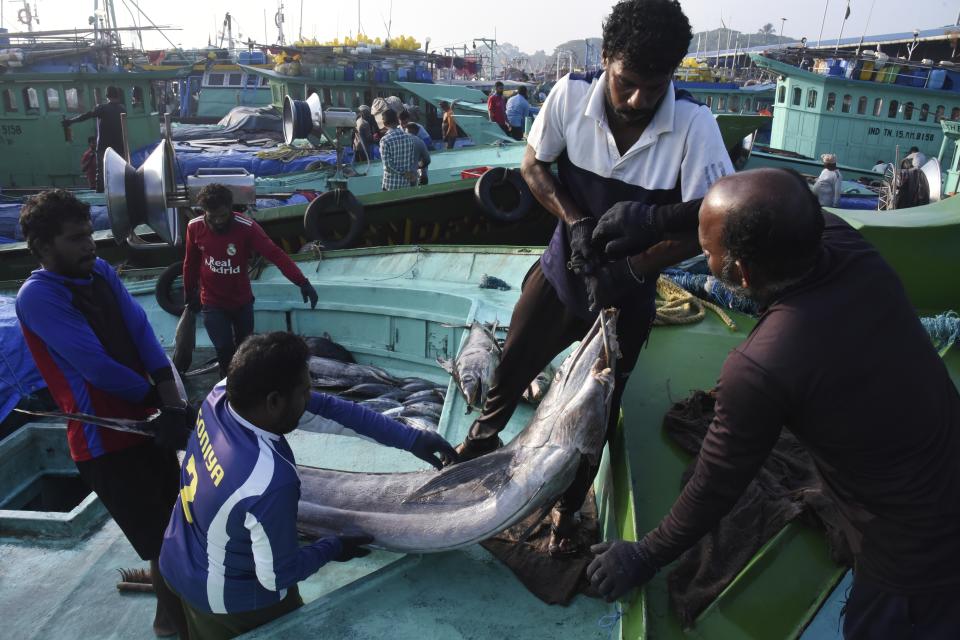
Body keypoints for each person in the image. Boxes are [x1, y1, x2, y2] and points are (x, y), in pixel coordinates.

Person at [586, 168, 960, 638]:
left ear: (739, 273)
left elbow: (715, 485)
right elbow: (775, 202)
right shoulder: (847, 247)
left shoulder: (763, 365)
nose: (702, 252)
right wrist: (657, 220)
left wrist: (643, 555)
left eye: (707, 251)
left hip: (914, 558)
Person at [449, 0, 732, 556]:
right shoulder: (569, 95)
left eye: (656, 87)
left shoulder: (696, 126)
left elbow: (708, 225)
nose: (638, 100)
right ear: (604, 58)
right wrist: (574, 221)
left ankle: (566, 509)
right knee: (510, 372)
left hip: (625, 300)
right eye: (627, 82)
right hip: (561, 274)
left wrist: (635, 268)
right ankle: (474, 450)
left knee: (593, 417)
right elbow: (534, 164)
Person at [159, 332, 457, 639]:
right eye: (304, 390)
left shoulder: (222, 395)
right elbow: (278, 575)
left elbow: (330, 408)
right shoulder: (268, 480)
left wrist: (411, 438)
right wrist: (332, 546)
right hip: (226, 601)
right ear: (274, 402)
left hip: (175, 555)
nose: (309, 396)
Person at [15, 189, 193, 638]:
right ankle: (171, 625)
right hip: (106, 443)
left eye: (89, 234)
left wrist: (173, 402)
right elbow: (94, 367)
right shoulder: (38, 297)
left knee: (174, 525)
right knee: (161, 538)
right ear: (43, 247)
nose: (89, 245)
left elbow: (142, 332)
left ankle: (170, 604)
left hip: (149, 425)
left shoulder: (99, 273)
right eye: (75, 239)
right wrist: (158, 403)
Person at [183, 184, 318, 377]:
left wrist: (302, 282)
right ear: (204, 212)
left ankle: (245, 386)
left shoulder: (247, 227)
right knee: (223, 349)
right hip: (212, 302)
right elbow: (191, 263)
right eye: (213, 217)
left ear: (231, 208)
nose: (219, 221)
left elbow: (275, 254)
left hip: (241, 301)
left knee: (244, 350)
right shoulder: (194, 227)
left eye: (223, 215)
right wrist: (190, 293)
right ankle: (227, 387)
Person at [62, 85, 126, 193]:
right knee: (120, 171)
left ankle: (100, 193)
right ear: (117, 95)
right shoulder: (122, 109)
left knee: (101, 172)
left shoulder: (102, 108)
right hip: (120, 146)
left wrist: (70, 121)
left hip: (104, 146)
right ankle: (120, 192)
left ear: (107, 96)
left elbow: (87, 115)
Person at [378, 109, 419, 191]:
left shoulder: (385, 140)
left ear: (384, 122)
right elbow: (411, 161)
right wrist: (406, 174)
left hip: (390, 184)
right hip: (405, 183)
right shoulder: (409, 137)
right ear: (397, 120)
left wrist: (401, 173)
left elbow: (388, 166)